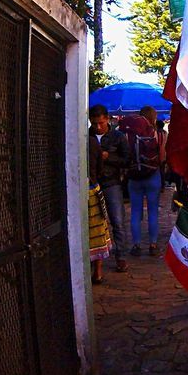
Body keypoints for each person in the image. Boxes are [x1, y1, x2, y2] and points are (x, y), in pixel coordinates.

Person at [89, 105, 129, 273]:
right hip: (91, 184)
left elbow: (127, 160)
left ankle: (120, 256)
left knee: (117, 221)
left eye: (101, 123)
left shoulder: (117, 137)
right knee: (93, 223)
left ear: (107, 119)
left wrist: (108, 157)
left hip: (111, 183)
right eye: (95, 123)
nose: (98, 127)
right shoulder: (86, 136)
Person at [126, 105, 164, 256]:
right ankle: (153, 245)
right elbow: (162, 158)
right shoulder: (159, 134)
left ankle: (136, 245)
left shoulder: (129, 134)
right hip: (153, 175)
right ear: (153, 118)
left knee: (135, 212)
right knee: (153, 212)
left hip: (134, 177)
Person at [86, 116, 113, 284]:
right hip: (92, 189)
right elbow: (100, 170)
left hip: (83, 191)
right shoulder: (92, 143)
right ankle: (98, 271)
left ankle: (92, 270)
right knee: (97, 232)